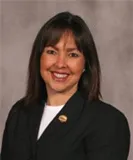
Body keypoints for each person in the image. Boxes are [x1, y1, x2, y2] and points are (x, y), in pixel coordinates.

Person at [1, 11, 130, 160]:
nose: (60, 64)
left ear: (85, 64)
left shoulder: (108, 122)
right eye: (51, 52)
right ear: (39, 58)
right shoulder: (20, 113)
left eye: (72, 54)